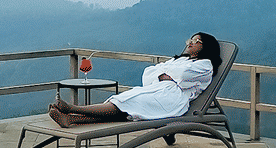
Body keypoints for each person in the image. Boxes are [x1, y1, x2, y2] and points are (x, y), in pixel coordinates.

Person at [49, 33, 221, 129]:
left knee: (127, 104)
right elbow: (149, 73)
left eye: (196, 41)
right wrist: (166, 74)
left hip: (172, 99)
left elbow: (183, 75)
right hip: (156, 91)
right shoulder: (179, 61)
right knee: (123, 104)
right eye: (189, 40)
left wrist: (165, 72)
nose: (190, 43)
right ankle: (71, 119)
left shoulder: (205, 66)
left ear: (207, 46)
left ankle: (73, 108)